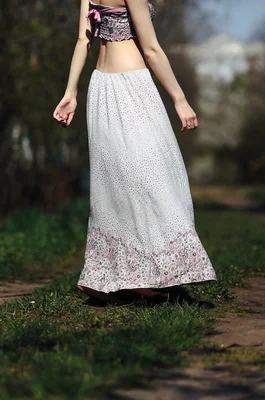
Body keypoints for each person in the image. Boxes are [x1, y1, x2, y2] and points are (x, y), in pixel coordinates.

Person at [53, 0, 217, 304]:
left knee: (116, 185)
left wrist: (70, 92)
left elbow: (82, 40)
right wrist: (179, 99)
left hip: (100, 88)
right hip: (132, 87)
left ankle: (114, 277)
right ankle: (149, 273)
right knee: (156, 178)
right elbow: (151, 48)